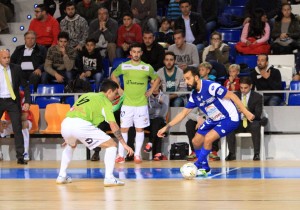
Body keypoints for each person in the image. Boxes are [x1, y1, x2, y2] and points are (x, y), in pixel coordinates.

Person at [157, 66, 255, 176]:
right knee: (196, 141)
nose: (186, 82)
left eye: (188, 78)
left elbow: (232, 95)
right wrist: (167, 126)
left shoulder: (210, 86)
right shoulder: (194, 95)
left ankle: (196, 165)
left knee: (208, 138)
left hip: (230, 118)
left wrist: (246, 112)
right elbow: (183, 114)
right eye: (184, 79)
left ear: (196, 77)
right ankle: (205, 168)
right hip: (214, 119)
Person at [56, 79, 134, 186]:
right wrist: (124, 144)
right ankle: (109, 178)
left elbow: (75, 111)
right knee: (112, 145)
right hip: (80, 125)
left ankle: (61, 176)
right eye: (115, 93)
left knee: (70, 145)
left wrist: (70, 135)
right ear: (109, 91)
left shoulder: (87, 95)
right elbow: (113, 124)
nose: (116, 96)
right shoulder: (105, 102)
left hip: (66, 123)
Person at [111, 42, 160, 164]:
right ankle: (120, 155)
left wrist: (151, 90)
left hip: (141, 104)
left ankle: (137, 155)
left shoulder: (147, 67)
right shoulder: (124, 66)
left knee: (139, 130)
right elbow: (113, 75)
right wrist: (119, 88)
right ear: (130, 53)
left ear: (141, 53)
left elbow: (157, 78)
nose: (136, 54)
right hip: (127, 104)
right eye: (134, 52)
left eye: (138, 52)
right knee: (124, 129)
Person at [0, 49, 31, 165]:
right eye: (4, 58)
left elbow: (26, 86)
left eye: (8, 57)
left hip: (12, 101)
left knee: (17, 128)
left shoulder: (16, 68)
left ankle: (20, 157)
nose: (7, 60)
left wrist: (27, 101)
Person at [225, 77, 263, 161]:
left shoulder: (257, 97)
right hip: (238, 122)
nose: (243, 90)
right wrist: (236, 111)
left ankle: (256, 154)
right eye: (241, 88)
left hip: (251, 122)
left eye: (245, 88)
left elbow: (258, 114)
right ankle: (231, 153)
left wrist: (245, 110)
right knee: (229, 126)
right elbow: (229, 113)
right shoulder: (235, 96)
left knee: (256, 125)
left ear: (251, 86)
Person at [0, 91, 33, 161]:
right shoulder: (3, 95)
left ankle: (25, 152)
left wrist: (9, 122)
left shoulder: (22, 95)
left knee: (23, 124)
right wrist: (2, 123)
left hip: (24, 122)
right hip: (10, 123)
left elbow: (25, 116)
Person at [143, 81, 169, 161]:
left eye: (156, 83)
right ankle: (158, 154)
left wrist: (152, 109)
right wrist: (158, 105)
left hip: (160, 120)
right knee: (157, 125)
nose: (153, 85)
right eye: (151, 83)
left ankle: (150, 143)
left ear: (160, 84)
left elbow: (163, 113)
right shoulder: (146, 95)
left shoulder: (165, 96)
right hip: (148, 121)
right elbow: (145, 111)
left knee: (157, 121)